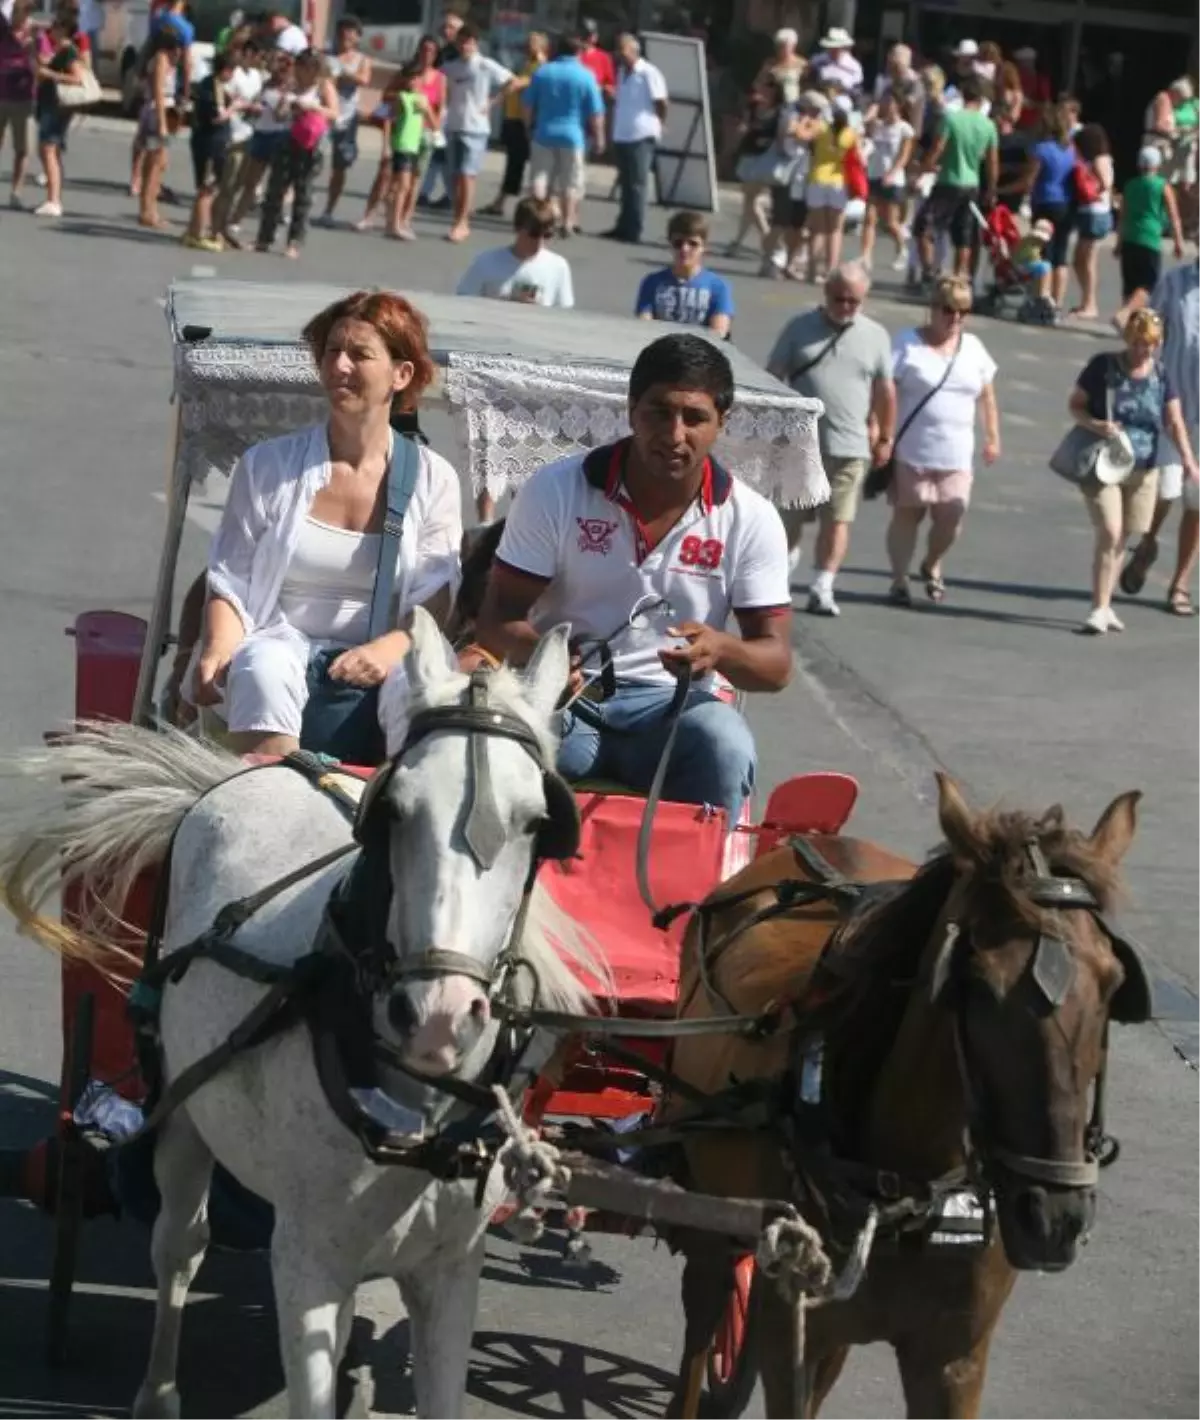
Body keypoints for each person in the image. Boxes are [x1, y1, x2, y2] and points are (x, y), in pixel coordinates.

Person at [469, 333, 793, 822]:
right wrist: (545, 657)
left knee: (726, 747)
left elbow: (776, 664)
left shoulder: (751, 517)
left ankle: (700, 894)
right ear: (630, 410)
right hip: (567, 701)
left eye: (695, 418)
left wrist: (722, 650)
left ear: (721, 423)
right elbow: (496, 620)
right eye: (658, 412)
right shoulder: (556, 489)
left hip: (675, 712)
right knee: (492, 756)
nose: (674, 433)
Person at [190, 291, 463, 760]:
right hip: (281, 643)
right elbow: (231, 581)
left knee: (425, 684)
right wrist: (217, 650)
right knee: (260, 666)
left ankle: (399, 820)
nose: (339, 366)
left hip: (389, 653)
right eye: (332, 351)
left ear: (402, 374)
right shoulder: (268, 466)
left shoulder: (434, 478)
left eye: (359, 354)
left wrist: (387, 651)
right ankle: (265, 805)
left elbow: (433, 602)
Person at [767, 264, 895, 615]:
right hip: (800, 445)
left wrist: (885, 436)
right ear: (826, 293)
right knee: (789, 520)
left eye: (854, 301)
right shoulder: (799, 328)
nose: (846, 306)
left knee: (837, 520)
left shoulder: (876, 336)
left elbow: (886, 390)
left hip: (851, 447)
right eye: (839, 299)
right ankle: (782, 569)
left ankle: (823, 584)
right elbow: (773, 376)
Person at [1068, 310, 1199, 634]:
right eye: (1140, 343)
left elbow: (1174, 420)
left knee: (1125, 534)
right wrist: (1096, 424)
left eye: (1151, 344)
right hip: (1105, 462)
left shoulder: (1160, 375)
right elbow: (1075, 404)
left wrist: (1188, 461)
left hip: (1144, 466)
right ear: (1128, 339)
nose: (1145, 350)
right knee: (1111, 531)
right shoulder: (1104, 367)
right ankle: (1098, 608)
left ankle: (1105, 603)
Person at [884, 275, 1000, 606]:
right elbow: (886, 390)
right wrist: (882, 432)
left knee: (951, 515)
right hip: (912, 448)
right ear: (932, 309)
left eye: (963, 312)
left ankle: (932, 561)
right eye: (949, 310)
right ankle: (899, 579)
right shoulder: (907, 343)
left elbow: (987, 397)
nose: (955, 319)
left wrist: (992, 437)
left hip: (956, 453)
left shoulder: (974, 348)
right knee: (908, 514)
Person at [1119, 256, 1200, 615]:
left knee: (1197, 501)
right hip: (1173, 405)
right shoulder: (1176, 281)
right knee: (1165, 490)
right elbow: (1148, 330)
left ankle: (1180, 583)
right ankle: (1148, 543)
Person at [256, 48, 337, 258]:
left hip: (311, 143)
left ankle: (294, 241)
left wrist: (313, 107)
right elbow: (279, 116)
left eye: (309, 68)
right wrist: (288, 106)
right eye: (301, 67)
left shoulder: (322, 87)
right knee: (275, 190)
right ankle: (265, 237)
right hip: (287, 138)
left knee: (303, 193)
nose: (303, 72)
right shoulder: (291, 84)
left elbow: (335, 113)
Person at [915, 73, 996, 282]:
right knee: (964, 234)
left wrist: (924, 168)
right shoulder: (988, 125)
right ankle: (960, 276)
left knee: (924, 226)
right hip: (972, 183)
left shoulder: (951, 119)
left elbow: (938, 148)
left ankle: (929, 271)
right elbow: (992, 161)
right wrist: (991, 189)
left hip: (948, 180)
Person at [523, 32, 604, 237]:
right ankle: (567, 222)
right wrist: (599, 136)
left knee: (540, 178)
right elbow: (596, 112)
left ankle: (538, 218)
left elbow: (528, 104)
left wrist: (528, 125)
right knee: (570, 182)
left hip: (544, 132)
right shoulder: (586, 75)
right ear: (578, 51)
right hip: (573, 135)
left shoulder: (543, 72)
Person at [441, 24, 513, 243]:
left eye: (470, 41)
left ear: (476, 43)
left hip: (476, 128)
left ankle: (462, 222)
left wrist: (492, 103)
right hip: (453, 125)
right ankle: (460, 215)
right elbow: (440, 89)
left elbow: (512, 81)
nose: (466, 45)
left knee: (467, 175)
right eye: (462, 41)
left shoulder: (485, 65)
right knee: (453, 177)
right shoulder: (451, 67)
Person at [225, 47, 293, 246]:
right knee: (250, 182)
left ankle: (272, 224)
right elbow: (255, 108)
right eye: (277, 64)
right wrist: (252, 109)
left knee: (276, 185)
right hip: (261, 134)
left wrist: (284, 98)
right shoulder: (266, 85)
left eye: (284, 65)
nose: (279, 68)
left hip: (279, 136)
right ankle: (236, 220)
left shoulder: (290, 88)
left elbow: (281, 116)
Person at [456, 195, 573, 307]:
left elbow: (563, 312)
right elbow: (464, 300)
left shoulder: (558, 266)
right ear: (517, 228)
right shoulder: (486, 261)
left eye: (547, 235)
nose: (539, 242)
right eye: (533, 235)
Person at [604, 33, 666, 245]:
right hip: (623, 132)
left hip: (642, 134)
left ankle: (634, 229)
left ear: (633, 50)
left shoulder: (648, 72)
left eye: (622, 49)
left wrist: (659, 124)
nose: (618, 54)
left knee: (638, 184)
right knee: (626, 182)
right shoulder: (622, 73)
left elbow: (661, 102)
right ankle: (623, 225)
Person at [478, 29, 547, 220]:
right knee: (514, 162)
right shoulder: (527, 64)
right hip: (513, 118)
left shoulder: (540, 66)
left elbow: (517, 84)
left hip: (524, 121)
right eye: (528, 41)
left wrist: (493, 101)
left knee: (522, 163)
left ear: (542, 46)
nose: (527, 45)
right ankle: (501, 202)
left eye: (532, 42)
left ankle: (538, 205)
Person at [1113, 148, 1183, 331]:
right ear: (1157, 165)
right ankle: (1126, 313)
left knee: (1130, 285)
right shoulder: (1161, 186)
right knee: (1147, 285)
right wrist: (1178, 242)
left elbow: (1123, 216)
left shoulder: (1130, 185)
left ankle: (1132, 326)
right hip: (1149, 238)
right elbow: (1173, 215)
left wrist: (1118, 243)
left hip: (1130, 237)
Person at [635, 210, 733, 335]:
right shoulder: (652, 282)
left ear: (704, 247)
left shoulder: (718, 287)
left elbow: (719, 332)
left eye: (693, 244)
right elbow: (644, 326)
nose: (685, 249)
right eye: (678, 243)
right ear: (669, 244)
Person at [314, 15, 371, 227]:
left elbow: (364, 79)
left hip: (347, 117)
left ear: (357, 37)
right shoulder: (324, 55)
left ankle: (329, 210)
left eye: (351, 32)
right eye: (342, 31)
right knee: (311, 158)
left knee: (340, 165)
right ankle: (298, 201)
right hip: (322, 113)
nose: (345, 36)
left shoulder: (362, 59)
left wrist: (342, 71)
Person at [31, 9, 85, 217]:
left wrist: (50, 74)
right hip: (50, 104)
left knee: (49, 149)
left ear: (64, 30)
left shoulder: (69, 52)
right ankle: (52, 197)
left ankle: (53, 200)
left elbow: (76, 78)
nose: (50, 31)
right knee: (47, 149)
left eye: (54, 27)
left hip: (56, 106)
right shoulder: (60, 51)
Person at [1023, 103, 1077, 310]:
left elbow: (1029, 180)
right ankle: (1057, 302)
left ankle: (1042, 298)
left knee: (1043, 252)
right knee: (1060, 255)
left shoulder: (1041, 149)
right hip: (1066, 202)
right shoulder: (1070, 149)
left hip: (1045, 202)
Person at [182, 47, 236, 251]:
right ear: (225, 70)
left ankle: (192, 229)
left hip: (209, 142)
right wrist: (235, 107)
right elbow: (217, 116)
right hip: (210, 144)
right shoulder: (212, 87)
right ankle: (199, 233)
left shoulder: (213, 85)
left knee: (205, 189)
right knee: (207, 189)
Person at [210, 37, 263, 242]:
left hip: (250, 132)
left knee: (238, 184)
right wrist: (244, 105)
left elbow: (257, 98)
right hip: (233, 131)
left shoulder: (257, 75)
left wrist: (255, 107)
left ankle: (222, 227)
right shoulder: (234, 74)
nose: (257, 59)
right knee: (227, 184)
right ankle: (214, 227)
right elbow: (224, 92)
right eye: (254, 54)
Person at [804, 94, 860, 281]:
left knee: (817, 228)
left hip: (817, 178)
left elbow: (805, 135)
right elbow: (858, 159)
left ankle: (811, 270)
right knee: (835, 230)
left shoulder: (821, 127)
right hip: (838, 181)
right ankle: (830, 270)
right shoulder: (851, 133)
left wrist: (809, 118)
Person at [132, 25, 182, 229]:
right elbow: (159, 92)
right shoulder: (161, 59)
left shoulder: (162, 58)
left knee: (158, 164)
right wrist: (162, 123)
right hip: (156, 112)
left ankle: (150, 209)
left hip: (157, 111)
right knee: (154, 165)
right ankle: (148, 211)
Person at [860, 88, 914, 272]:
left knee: (890, 222)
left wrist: (892, 173)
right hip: (874, 174)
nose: (886, 105)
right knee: (869, 218)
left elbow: (904, 155)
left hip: (893, 178)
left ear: (898, 105)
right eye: (884, 101)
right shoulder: (878, 126)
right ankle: (866, 256)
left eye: (890, 102)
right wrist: (871, 115)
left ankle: (902, 249)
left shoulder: (904, 128)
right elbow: (864, 132)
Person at [416, 10, 462, 210]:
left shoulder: (460, 54)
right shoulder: (441, 52)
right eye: (445, 26)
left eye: (451, 27)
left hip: (453, 109)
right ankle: (427, 192)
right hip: (437, 108)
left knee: (443, 155)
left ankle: (450, 195)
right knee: (437, 154)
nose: (446, 30)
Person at [1070, 122, 1114, 320]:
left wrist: (1090, 190)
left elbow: (1105, 183)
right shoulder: (1096, 158)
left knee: (1085, 260)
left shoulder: (1099, 159)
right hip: (1092, 211)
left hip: (1095, 211)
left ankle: (1090, 303)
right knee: (1082, 260)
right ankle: (1087, 302)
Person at [381, 63, 430, 241]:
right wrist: (386, 145)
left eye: (416, 77)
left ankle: (391, 221)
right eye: (410, 77)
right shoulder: (401, 98)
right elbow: (388, 118)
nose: (413, 81)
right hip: (401, 145)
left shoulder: (422, 99)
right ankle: (395, 225)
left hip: (414, 145)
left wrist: (425, 110)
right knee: (403, 186)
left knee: (397, 187)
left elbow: (434, 123)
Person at [0, 0, 35, 209]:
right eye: (18, 13)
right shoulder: (2, 32)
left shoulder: (34, 38)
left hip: (23, 98)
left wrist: (31, 51)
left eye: (25, 14)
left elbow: (39, 67)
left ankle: (16, 191)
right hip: (2, 95)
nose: (20, 18)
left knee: (23, 148)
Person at [810, 26, 862, 95]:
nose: (834, 50)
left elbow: (857, 88)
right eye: (832, 47)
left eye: (837, 48)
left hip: (843, 98)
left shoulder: (853, 66)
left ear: (843, 47)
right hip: (821, 95)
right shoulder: (819, 60)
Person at [578, 17, 614, 101]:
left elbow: (610, 86)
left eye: (591, 34)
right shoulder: (573, 55)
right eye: (585, 35)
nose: (588, 38)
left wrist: (601, 88)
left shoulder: (603, 57)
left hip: (594, 102)